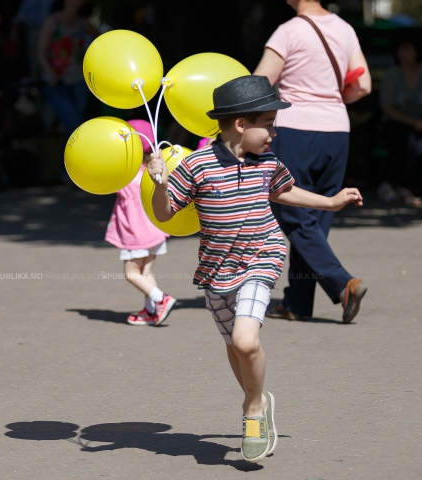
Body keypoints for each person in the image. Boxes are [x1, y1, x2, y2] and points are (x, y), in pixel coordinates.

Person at [148, 75, 363, 463]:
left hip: (261, 258)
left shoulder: (268, 162)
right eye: (268, 122)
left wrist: (331, 203)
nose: (275, 132)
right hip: (216, 271)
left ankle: (253, 410)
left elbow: (284, 190)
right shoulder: (197, 166)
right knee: (236, 347)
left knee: (246, 341)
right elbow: (164, 215)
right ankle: (257, 397)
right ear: (242, 124)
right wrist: (160, 183)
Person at [254, 0, 371, 322]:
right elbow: (363, 85)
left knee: (292, 210)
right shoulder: (345, 29)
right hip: (337, 129)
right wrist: (330, 99)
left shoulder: (288, 32)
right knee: (318, 213)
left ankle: (343, 282)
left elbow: (259, 84)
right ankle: (297, 302)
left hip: (296, 128)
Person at [104, 120, 176, 326]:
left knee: (131, 273)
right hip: (155, 230)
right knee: (146, 273)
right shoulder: (152, 172)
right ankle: (151, 311)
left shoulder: (124, 174)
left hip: (136, 233)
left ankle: (161, 298)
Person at [379, 37, 422, 206]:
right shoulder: (393, 73)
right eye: (400, 49)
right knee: (401, 139)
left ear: (417, 51)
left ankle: (406, 186)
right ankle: (387, 183)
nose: (402, 53)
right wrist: (412, 122)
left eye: (407, 48)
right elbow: (387, 107)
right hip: (397, 121)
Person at [37, 0, 97, 139]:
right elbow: (41, 53)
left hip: (80, 81)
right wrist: (52, 75)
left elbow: (102, 41)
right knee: (75, 126)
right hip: (58, 83)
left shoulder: (83, 23)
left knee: (74, 126)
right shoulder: (53, 22)